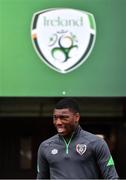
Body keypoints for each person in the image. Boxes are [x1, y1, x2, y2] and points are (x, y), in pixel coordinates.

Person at [37, 98, 119, 179]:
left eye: (64, 117)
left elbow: (112, 177)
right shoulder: (45, 146)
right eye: (55, 118)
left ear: (76, 117)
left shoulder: (97, 143)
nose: (58, 122)